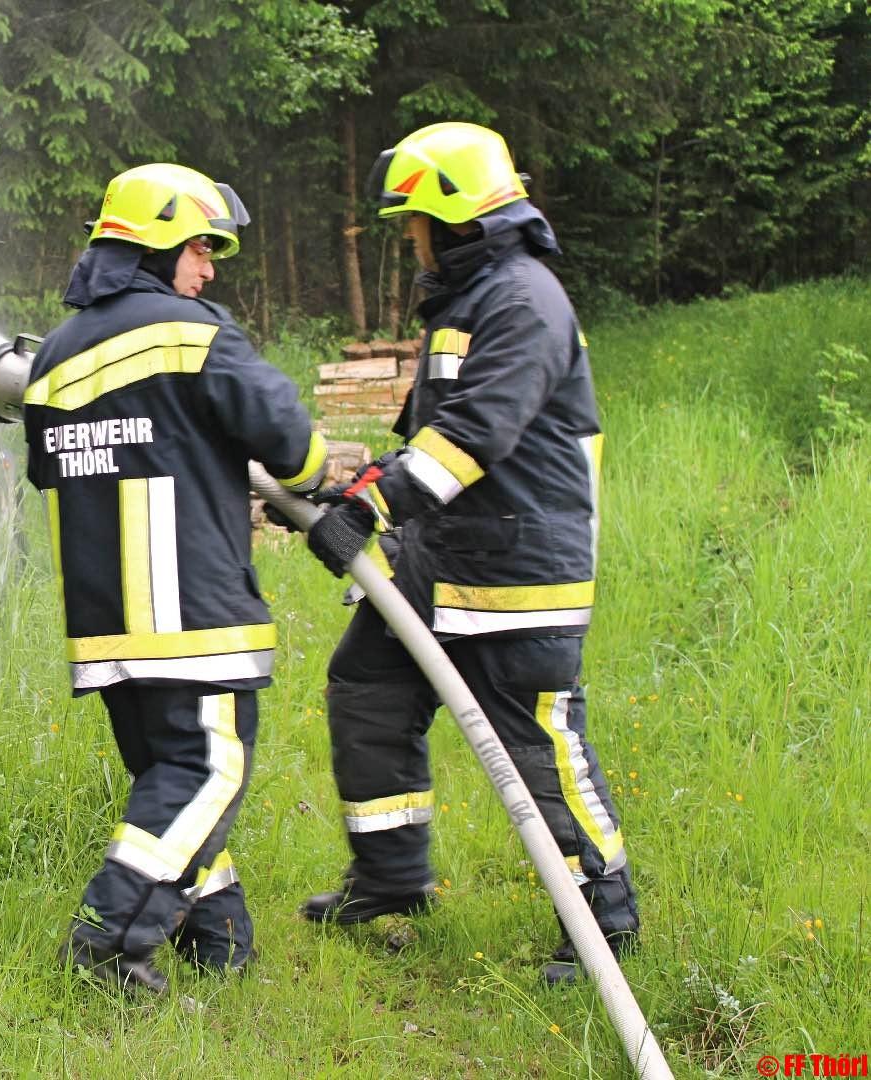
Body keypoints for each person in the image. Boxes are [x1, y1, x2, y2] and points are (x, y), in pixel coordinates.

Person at [293, 122, 639, 986]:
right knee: (367, 691)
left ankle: (606, 914)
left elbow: (476, 435)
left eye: (415, 223)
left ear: (454, 220)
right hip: (437, 564)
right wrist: (366, 490)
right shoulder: (470, 301)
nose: (410, 239)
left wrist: (372, 504)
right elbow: (429, 433)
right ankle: (391, 877)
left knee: (540, 750)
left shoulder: (524, 301)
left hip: (519, 572)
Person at [23, 163, 331, 993]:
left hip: (107, 625)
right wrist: (322, 476)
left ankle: (219, 938)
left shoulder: (54, 356)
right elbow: (293, 445)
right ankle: (105, 939)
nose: (210, 267)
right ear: (158, 244)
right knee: (207, 775)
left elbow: (47, 472)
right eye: (200, 246)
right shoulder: (191, 332)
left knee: (170, 780)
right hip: (193, 614)